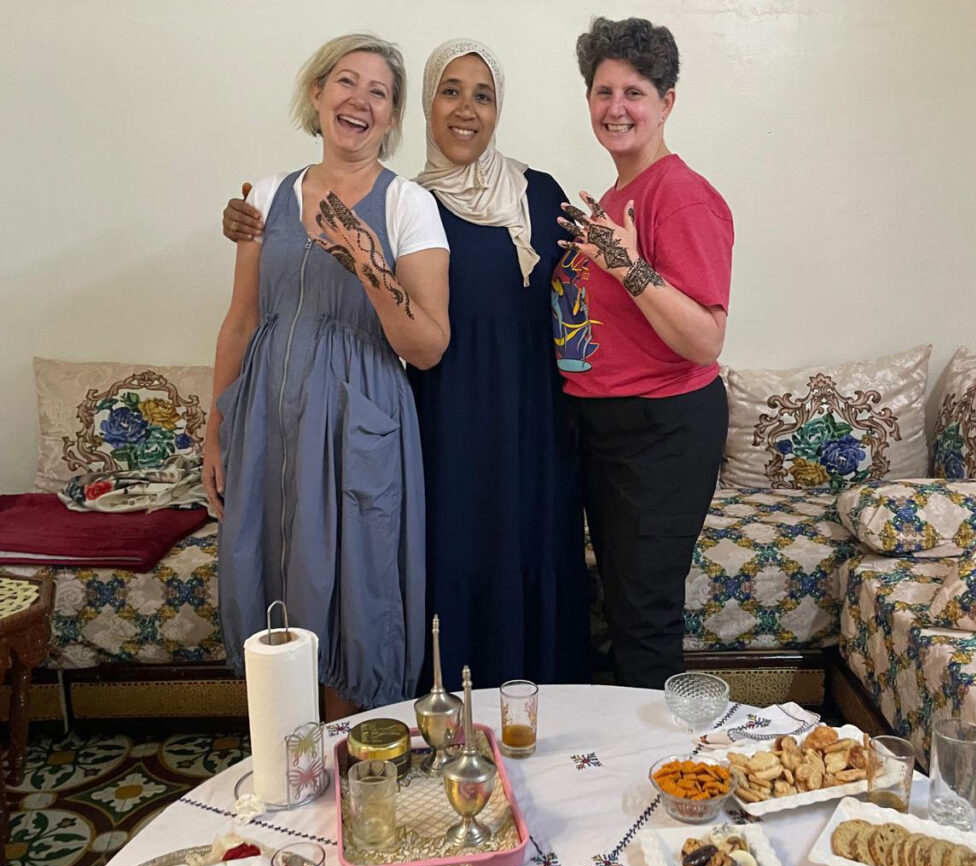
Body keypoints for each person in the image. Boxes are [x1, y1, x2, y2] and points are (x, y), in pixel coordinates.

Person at [224, 39, 590, 690]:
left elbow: (580, 308)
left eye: (483, 94)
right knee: (437, 560)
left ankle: (539, 715)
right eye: (450, 91)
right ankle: (435, 721)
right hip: (434, 414)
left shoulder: (535, 195)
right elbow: (258, 312)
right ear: (423, 108)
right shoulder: (410, 199)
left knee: (528, 553)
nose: (466, 109)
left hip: (528, 417)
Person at [204, 33, 450, 720]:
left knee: (354, 604)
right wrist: (215, 430)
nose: (360, 101)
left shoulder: (409, 206)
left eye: (379, 92)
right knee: (273, 591)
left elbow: (428, 345)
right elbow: (242, 321)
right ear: (316, 95)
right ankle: (288, 775)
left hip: (358, 428)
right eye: (346, 82)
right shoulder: (270, 194)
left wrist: (369, 266)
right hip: (266, 428)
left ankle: (351, 781)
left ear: (394, 119)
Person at [552, 16, 733, 689]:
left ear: (667, 102)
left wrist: (628, 265)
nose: (616, 107)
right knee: (623, 608)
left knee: (645, 617)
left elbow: (706, 338)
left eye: (634, 92)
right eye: (604, 92)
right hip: (607, 427)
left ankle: (666, 780)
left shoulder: (680, 196)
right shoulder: (618, 196)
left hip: (661, 428)